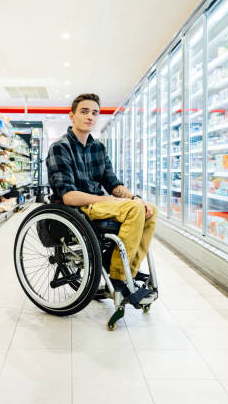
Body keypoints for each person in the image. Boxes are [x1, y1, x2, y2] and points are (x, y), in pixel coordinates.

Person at [46, 93, 157, 303]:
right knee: (134, 210)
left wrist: (135, 197)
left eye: (95, 113)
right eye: (84, 111)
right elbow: (68, 196)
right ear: (72, 116)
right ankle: (118, 278)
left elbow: (112, 183)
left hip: (99, 204)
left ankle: (129, 270)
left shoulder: (98, 148)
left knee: (148, 208)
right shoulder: (60, 148)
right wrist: (109, 201)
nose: (90, 117)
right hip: (79, 208)